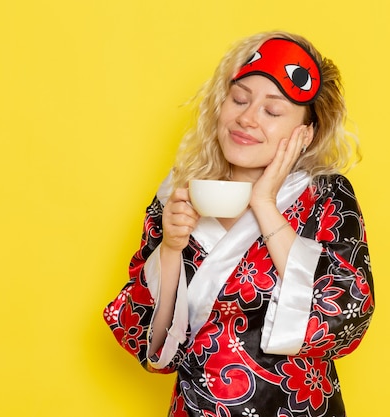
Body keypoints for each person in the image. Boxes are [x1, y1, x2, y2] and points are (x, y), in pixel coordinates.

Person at [103, 31, 375, 417]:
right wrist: (169, 249)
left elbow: (345, 316)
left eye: (273, 111)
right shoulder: (178, 198)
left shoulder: (324, 197)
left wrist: (265, 204)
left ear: (305, 132)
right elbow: (148, 344)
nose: (247, 118)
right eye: (240, 99)